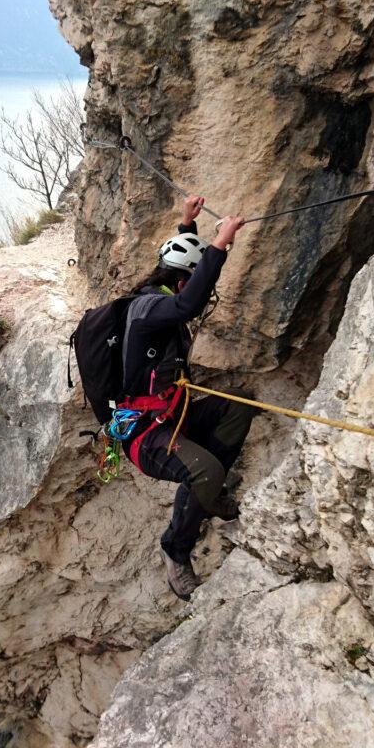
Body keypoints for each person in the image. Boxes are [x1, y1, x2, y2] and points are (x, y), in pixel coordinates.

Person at [119, 196, 258, 600]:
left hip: (171, 415)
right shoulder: (149, 308)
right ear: (181, 280)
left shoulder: (158, 296)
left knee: (236, 408)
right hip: (145, 434)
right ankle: (175, 551)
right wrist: (221, 245)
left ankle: (206, 491)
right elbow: (188, 301)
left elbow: (183, 281)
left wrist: (187, 224)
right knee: (205, 472)